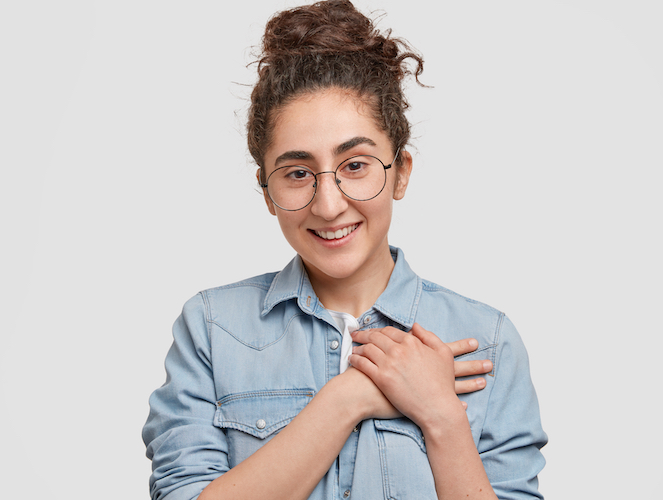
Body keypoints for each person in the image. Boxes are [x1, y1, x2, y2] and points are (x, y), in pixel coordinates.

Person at [142, 1, 547, 499]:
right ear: (267, 192)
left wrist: (442, 416)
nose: (330, 206)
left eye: (355, 165)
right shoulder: (211, 328)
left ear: (400, 173)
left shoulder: (486, 342)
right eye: (296, 173)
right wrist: (348, 398)